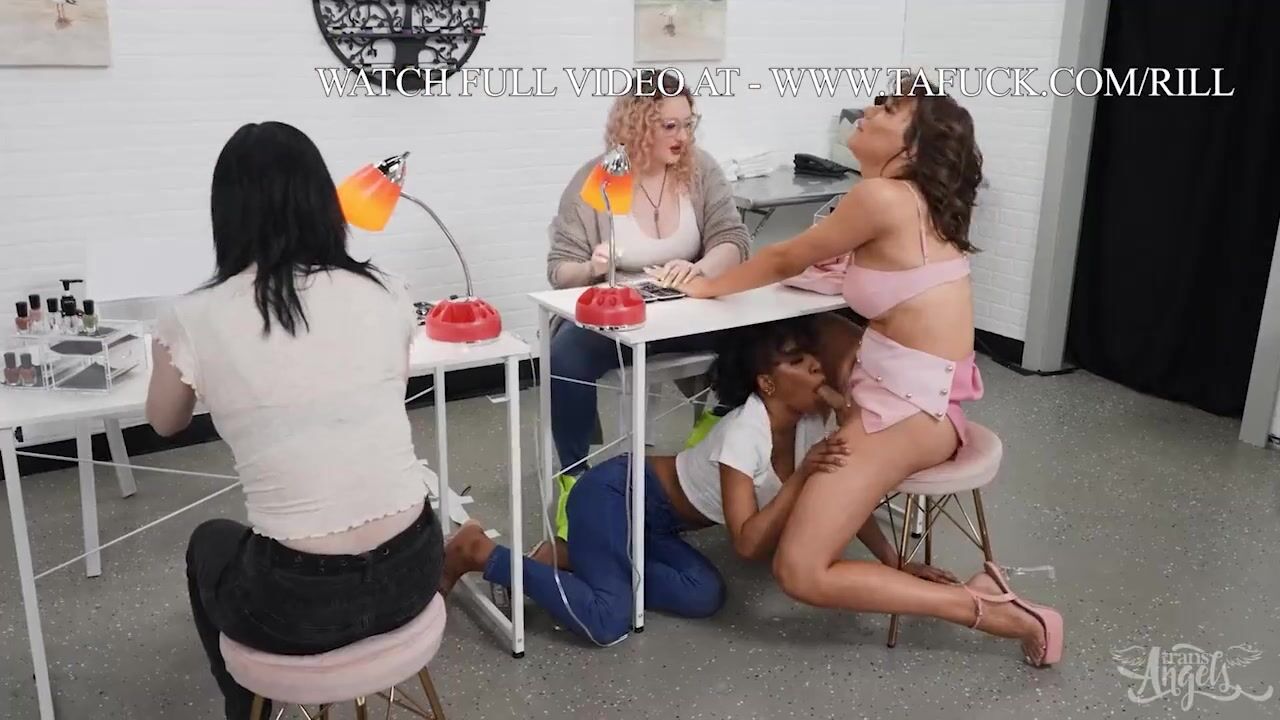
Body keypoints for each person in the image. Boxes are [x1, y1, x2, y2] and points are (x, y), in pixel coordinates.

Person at [674, 72, 1064, 667]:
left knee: (800, 571)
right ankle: (763, 427)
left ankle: (991, 609)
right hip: (907, 394)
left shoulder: (880, 197)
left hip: (910, 413)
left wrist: (706, 288)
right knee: (810, 328)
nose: (872, 107)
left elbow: (785, 255)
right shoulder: (909, 201)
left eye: (891, 106)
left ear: (913, 148)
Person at [145, 121, 444, 719]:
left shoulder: (194, 316)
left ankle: (244, 708)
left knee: (209, 541)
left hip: (295, 602)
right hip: (416, 567)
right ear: (323, 201)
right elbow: (389, 386)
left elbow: (164, 423)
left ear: (227, 214)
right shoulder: (386, 289)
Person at [438, 318, 956, 646]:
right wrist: (802, 477)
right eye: (800, 363)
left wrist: (895, 562)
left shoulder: (812, 426)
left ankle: (574, 557)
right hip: (617, 495)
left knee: (704, 595)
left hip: (661, 523)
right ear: (768, 383)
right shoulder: (745, 435)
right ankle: (481, 552)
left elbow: (844, 500)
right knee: (607, 621)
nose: (818, 369)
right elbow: (747, 543)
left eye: (814, 360)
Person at [544, 70, 752, 498]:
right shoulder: (596, 180)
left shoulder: (700, 170)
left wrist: (700, 269)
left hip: (689, 306)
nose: (683, 137)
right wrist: (592, 268)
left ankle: (717, 426)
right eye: (670, 126)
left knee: (760, 333)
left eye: (689, 124)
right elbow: (559, 270)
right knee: (565, 357)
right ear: (636, 125)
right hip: (620, 315)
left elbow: (733, 239)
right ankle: (574, 479)